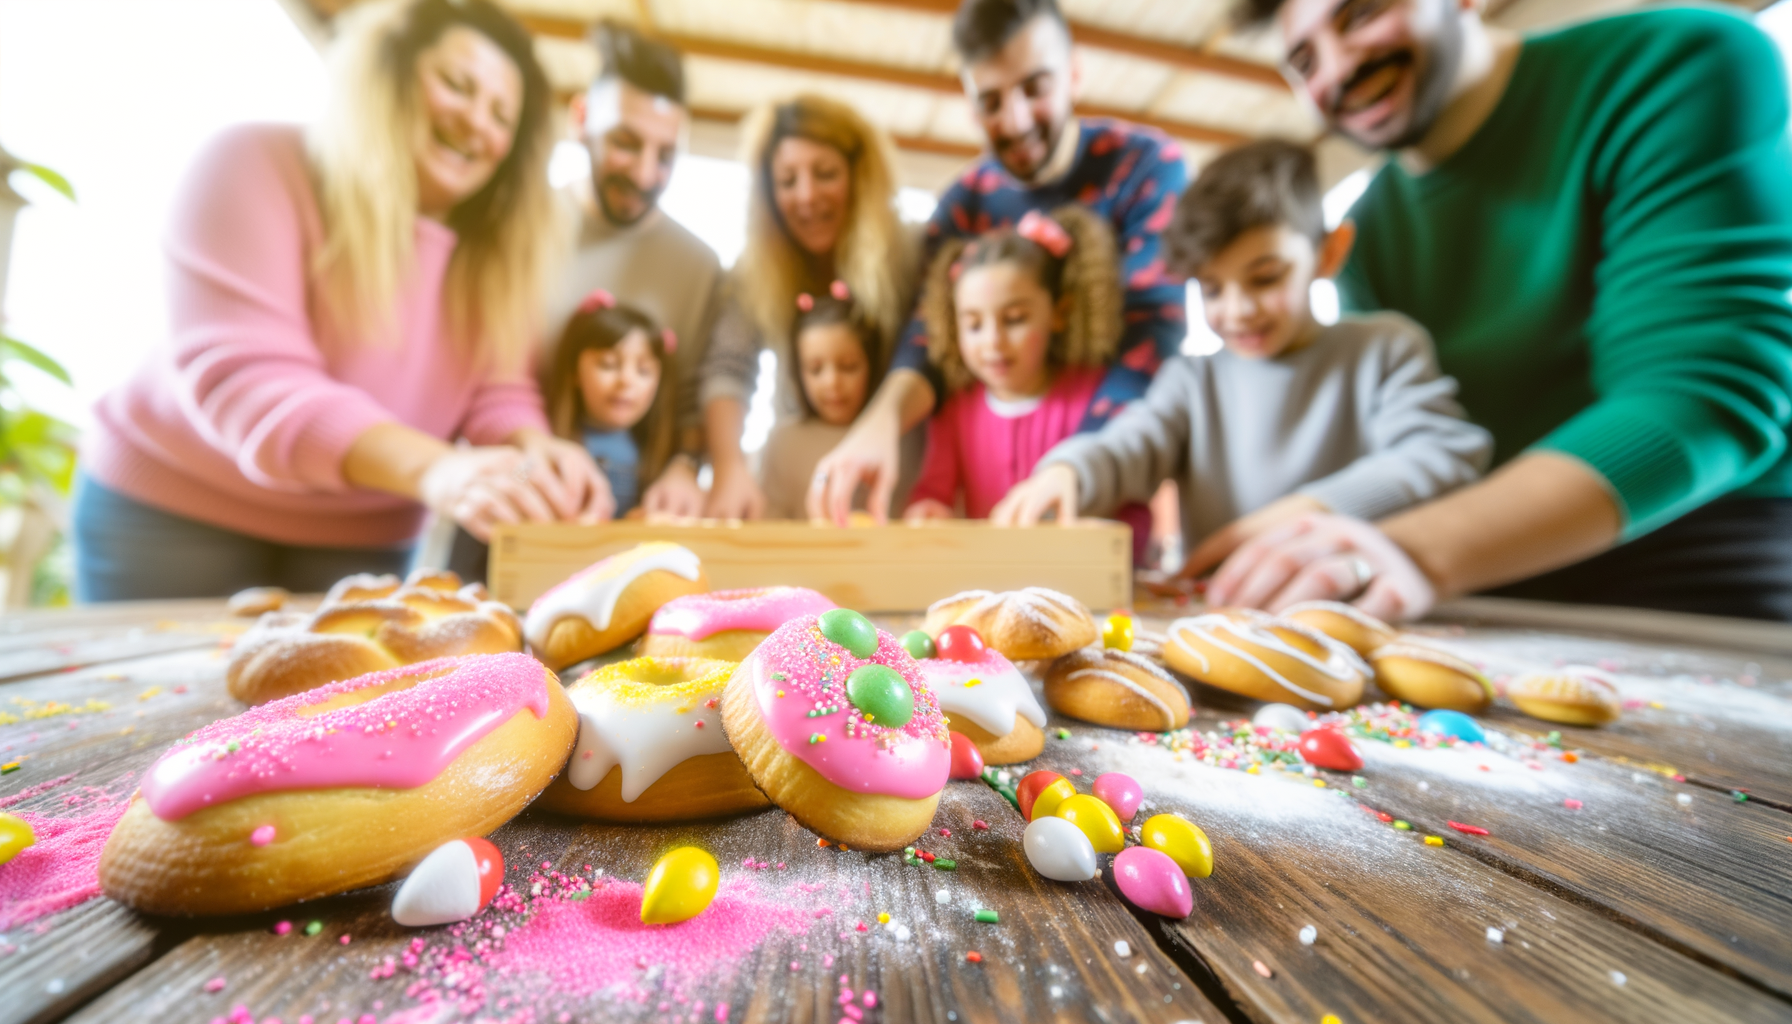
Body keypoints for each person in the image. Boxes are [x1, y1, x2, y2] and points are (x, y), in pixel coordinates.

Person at [1203, 0, 1792, 623]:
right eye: (1304, 59)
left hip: (1699, 540)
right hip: (1477, 573)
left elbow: (1701, 393)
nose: (1339, 67)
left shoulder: (1675, 63)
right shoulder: (1368, 231)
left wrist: (1412, 548)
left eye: (1361, 14)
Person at [71, 0, 607, 602]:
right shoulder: (249, 162)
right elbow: (250, 380)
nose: (477, 123)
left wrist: (532, 450)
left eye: (502, 116)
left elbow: (497, 391)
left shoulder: (502, 253)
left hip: (364, 538)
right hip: (171, 512)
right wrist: (439, 469)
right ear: (386, 73)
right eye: (457, 85)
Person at [992, 141, 1491, 572]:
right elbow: (1130, 444)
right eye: (1211, 289)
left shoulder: (1384, 349)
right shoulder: (1192, 379)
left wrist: (1306, 513)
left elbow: (1443, 453)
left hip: (1356, 613)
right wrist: (1070, 471)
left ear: (1328, 253)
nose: (1238, 310)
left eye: (1266, 277)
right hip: (1228, 619)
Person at [807, 0, 1189, 525]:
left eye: (1035, 89)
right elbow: (927, 341)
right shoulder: (963, 201)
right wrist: (879, 424)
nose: (1015, 120)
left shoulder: (1146, 166)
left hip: (1106, 483)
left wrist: (1070, 468)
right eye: (990, 101)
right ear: (969, 107)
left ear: (1073, 76)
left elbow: (1151, 340)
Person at [693, 95, 918, 519]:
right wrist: (729, 467)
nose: (807, 196)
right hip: (800, 480)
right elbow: (729, 366)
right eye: (787, 180)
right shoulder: (756, 267)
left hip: (900, 482)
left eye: (826, 173)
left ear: (860, 177)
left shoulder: (912, 252)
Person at [904, 208, 1151, 545]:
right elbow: (933, 493)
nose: (993, 342)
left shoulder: (1097, 396)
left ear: (1059, 313)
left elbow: (1132, 509)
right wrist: (927, 513)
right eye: (974, 324)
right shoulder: (955, 409)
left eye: (1015, 318)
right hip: (993, 585)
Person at [555, 21, 721, 516]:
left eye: (666, 154)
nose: (647, 174)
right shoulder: (518, 234)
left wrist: (685, 469)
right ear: (581, 118)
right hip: (515, 509)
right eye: (626, 143)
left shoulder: (699, 266)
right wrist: (526, 475)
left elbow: (695, 406)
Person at [543, 290, 676, 518]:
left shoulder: (655, 457)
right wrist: (522, 470)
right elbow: (519, 474)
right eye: (608, 364)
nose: (626, 380)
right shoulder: (546, 434)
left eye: (643, 371)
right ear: (574, 370)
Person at [757, 283, 880, 519]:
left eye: (848, 367)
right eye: (815, 369)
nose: (832, 382)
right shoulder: (783, 442)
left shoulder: (894, 437)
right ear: (798, 373)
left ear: (871, 365)